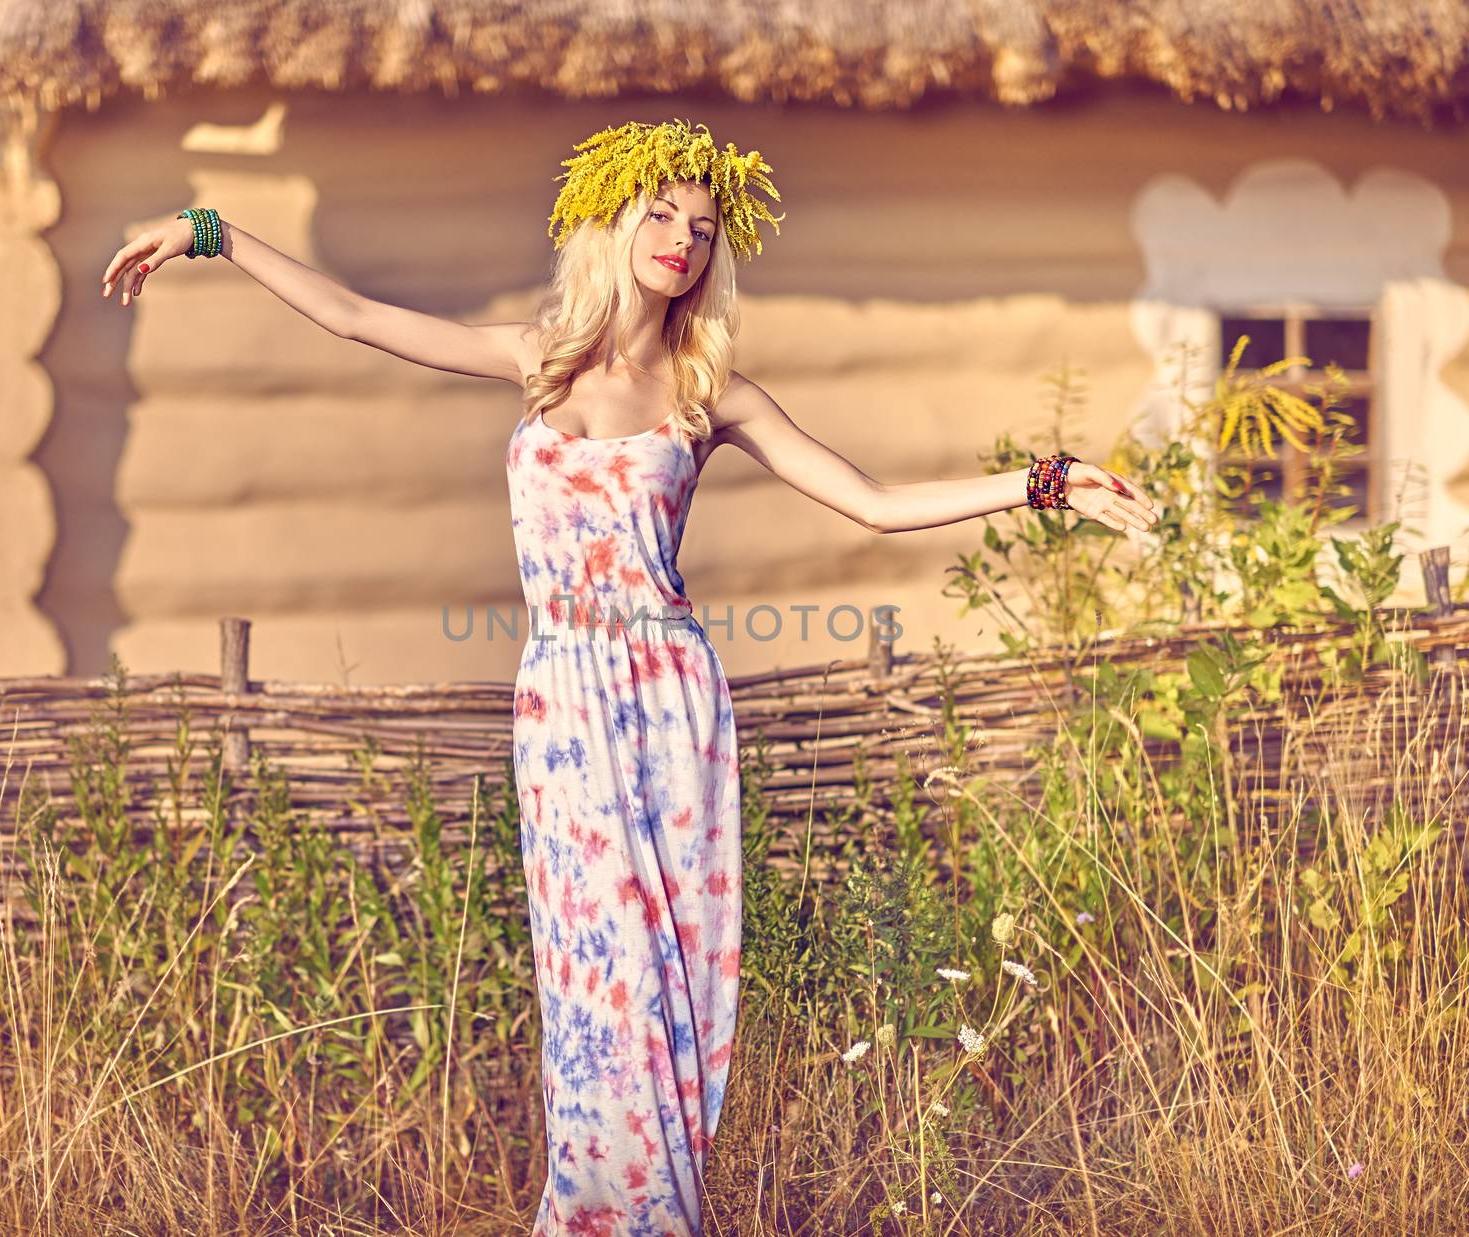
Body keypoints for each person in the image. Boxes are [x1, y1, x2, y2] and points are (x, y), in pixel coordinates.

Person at [101, 117, 1157, 1235]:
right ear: (610, 222)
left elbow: (874, 504)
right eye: (660, 213)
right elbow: (359, 319)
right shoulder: (535, 356)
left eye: (702, 227)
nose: (681, 239)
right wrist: (209, 232)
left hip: (670, 704)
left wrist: (1043, 483)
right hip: (562, 705)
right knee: (595, 984)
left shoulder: (713, 395)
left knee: (671, 986)